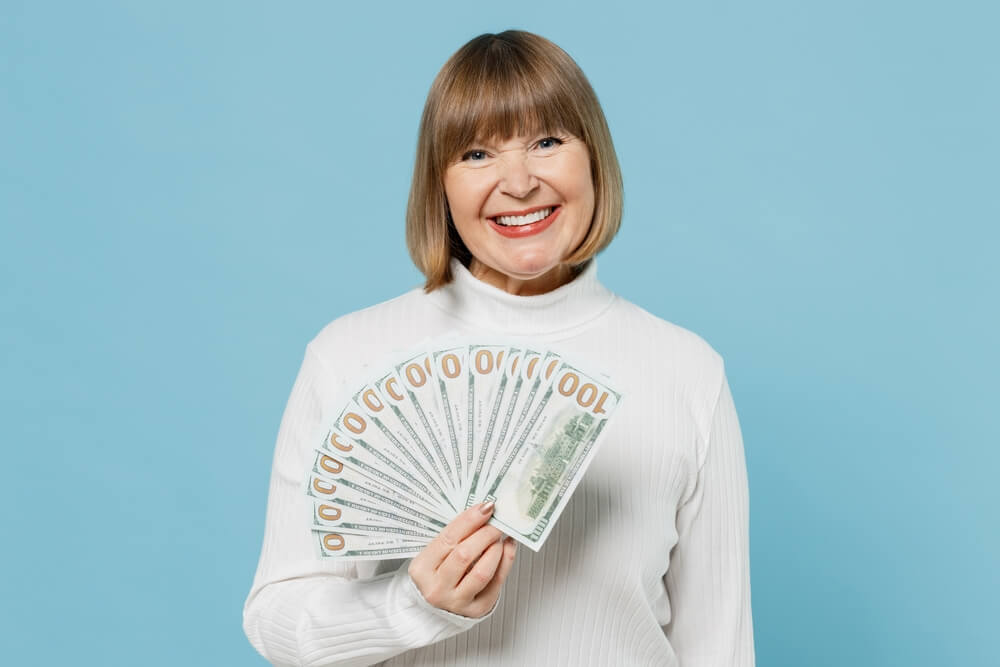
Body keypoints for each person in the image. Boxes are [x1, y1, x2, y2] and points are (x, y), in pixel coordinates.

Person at [243, 30, 755, 666]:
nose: (518, 183)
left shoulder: (689, 371)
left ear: (594, 157)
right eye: (478, 153)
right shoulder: (350, 354)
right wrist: (412, 605)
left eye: (547, 142)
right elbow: (277, 620)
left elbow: (719, 645)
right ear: (441, 184)